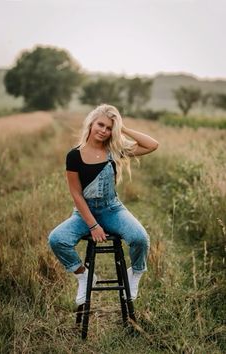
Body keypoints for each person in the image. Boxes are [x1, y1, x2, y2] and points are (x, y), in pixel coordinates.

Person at [48, 104, 159, 306]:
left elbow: (152, 145)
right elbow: (76, 194)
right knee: (57, 239)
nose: (104, 131)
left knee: (140, 238)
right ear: (91, 123)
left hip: (112, 209)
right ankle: (83, 276)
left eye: (109, 128)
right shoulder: (74, 155)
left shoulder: (115, 150)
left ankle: (134, 274)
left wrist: (122, 128)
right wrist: (92, 225)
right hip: (84, 213)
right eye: (101, 124)